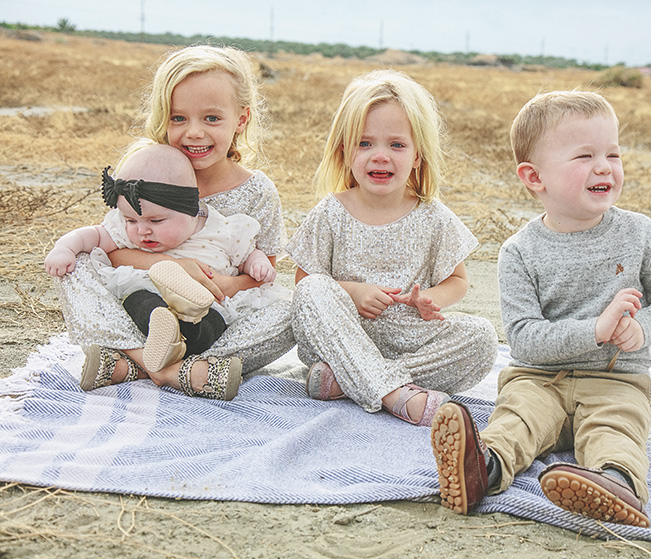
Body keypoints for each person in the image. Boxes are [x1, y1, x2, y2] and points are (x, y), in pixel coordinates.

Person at [430, 91, 651, 527]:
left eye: (612, 153)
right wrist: (596, 328)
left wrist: (643, 328)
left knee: (618, 428)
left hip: (618, 380)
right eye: (584, 156)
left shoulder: (639, 233)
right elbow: (523, 338)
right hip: (539, 378)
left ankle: (614, 484)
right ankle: (483, 469)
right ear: (535, 177)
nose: (604, 166)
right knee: (516, 416)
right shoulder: (519, 251)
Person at [52, 45, 295, 397]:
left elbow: (263, 276)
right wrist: (172, 264)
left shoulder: (257, 191)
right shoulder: (150, 170)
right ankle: (173, 370)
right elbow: (115, 249)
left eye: (211, 119)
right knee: (77, 263)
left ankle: (134, 365)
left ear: (241, 119)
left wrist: (228, 287)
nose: (193, 132)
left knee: (292, 309)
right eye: (178, 118)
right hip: (142, 302)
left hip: (217, 314)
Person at [286, 69, 498, 426]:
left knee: (482, 338)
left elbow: (458, 281)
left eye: (396, 145)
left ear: (417, 156)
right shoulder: (332, 211)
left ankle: (348, 381)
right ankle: (394, 394)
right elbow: (303, 285)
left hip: (410, 337)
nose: (380, 156)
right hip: (342, 336)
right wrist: (352, 292)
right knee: (313, 289)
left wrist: (432, 300)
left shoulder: (434, 217)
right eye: (365, 143)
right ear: (345, 151)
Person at [45, 145, 288, 399]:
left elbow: (248, 254)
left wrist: (258, 264)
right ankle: (173, 370)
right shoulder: (145, 195)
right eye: (131, 221)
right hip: (148, 302)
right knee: (95, 275)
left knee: (219, 322)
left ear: (191, 209)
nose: (142, 231)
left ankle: (131, 365)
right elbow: (94, 235)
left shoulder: (223, 229)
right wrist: (65, 247)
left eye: (155, 222)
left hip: (204, 309)